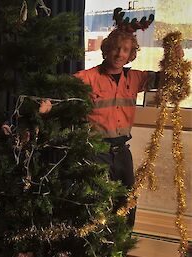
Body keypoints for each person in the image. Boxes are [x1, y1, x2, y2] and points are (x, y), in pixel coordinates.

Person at [74, 16, 184, 228]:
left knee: (127, 199)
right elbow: (62, 91)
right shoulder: (87, 77)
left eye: (125, 50)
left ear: (130, 55)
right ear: (106, 50)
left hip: (122, 151)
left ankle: (121, 244)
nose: (119, 54)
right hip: (96, 151)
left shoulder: (134, 78)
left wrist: (175, 60)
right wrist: (48, 105)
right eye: (115, 48)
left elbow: (167, 80)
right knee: (97, 201)